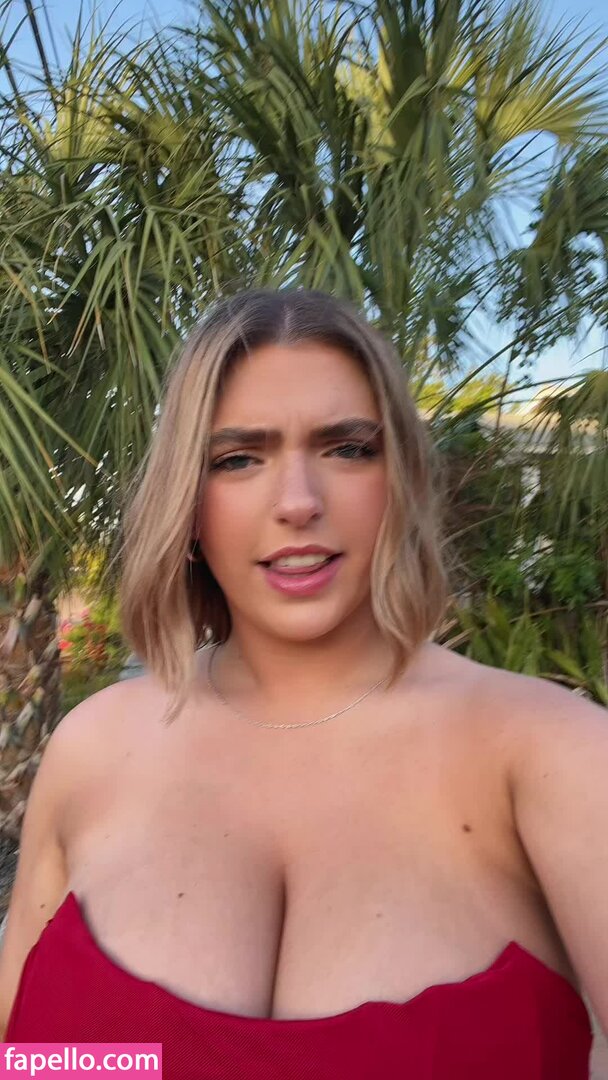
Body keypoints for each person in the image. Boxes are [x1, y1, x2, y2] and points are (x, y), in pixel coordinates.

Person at [0, 287, 606, 1079]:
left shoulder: (556, 754)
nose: (297, 503)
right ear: (188, 503)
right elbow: (43, 1057)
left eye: (347, 448)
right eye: (237, 459)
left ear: (402, 480)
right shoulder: (91, 750)